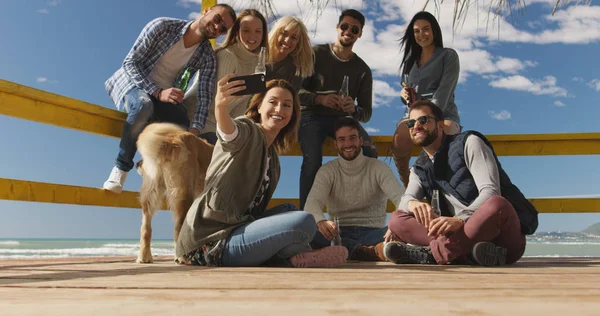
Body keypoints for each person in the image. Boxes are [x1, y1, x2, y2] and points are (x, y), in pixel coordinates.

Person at [175, 78, 348, 268]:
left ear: (292, 114)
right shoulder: (247, 129)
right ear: (258, 106)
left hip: (238, 229)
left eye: (286, 105)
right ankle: (295, 254)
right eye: (272, 102)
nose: (279, 110)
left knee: (290, 210)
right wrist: (221, 107)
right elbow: (229, 133)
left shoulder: (273, 160)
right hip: (209, 243)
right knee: (305, 220)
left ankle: (297, 255)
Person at [383, 101, 539, 266]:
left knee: (497, 204)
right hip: (461, 239)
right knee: (396, 219)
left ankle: (433, 254)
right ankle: (469, 254)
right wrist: (412, 203)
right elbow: (404, 202)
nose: (416, 126)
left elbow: (491, 191)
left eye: (423, 120)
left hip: (502, 238)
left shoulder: (469, 143)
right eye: (410, 123)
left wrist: (460, 219)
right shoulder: (419, 168)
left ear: (441, 125)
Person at [102, 4, 236, 193]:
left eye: (223, 29)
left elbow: (205, 96)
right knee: (143, 105)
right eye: (217, 19)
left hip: (164, 98)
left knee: (183, 128)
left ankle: (150, 164)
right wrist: (157, 92)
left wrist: (194, 132)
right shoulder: (162, 26)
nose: (217, 27)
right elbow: (130, 63)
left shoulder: (207, 57)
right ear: (206, 12)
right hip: (133, 84)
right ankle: (121, 167)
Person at [298, 9, 377, 209]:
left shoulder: (363, 70)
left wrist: (354, 109)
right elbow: (294, 92)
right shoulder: (316, 54)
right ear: (337, 28)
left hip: (343, 121)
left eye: (354, 29)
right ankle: (307, 217)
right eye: (344, 26)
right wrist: (319, 99)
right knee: (313, 158)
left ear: (360, 34)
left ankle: (354, 210)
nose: (348, 31)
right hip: (311, 116)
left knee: (369, 151)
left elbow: (366, 112)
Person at [306, 117, 405, 261]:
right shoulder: (327, 171)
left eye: (352, 138)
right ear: (336, 144)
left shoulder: (379, 168)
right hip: (338, 233)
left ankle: (350, 250)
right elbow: (312, 203)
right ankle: (369, 252)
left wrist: (396, 225)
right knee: (306, 232)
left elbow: (400, 197)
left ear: (360, 140)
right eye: (342, 139)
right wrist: (321, 222)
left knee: (405, 230)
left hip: (374, 233)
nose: (347, 144)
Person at [391, 11, 461, 188]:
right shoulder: (410, 60)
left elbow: (444, 92)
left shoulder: (448, 56)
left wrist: (427, 118)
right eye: (416, 31)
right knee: (400, 138)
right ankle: (407, 182)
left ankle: (440, 185)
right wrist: (403, 95)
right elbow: (408, 91)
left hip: (443, 113)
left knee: (444, 132)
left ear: (435, 31)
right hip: (412, 114)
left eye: (426, 29)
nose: (421, 34)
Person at [184, 9, 268, 145]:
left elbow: (240, 108)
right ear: (236, 32)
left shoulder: (257, 64)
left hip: (220, 126)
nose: (252, 35)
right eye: (246, 30)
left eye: (258, 31)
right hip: (198, 122)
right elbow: (214, 104)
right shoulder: (228, 55)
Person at [265, 16, 313, 91]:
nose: (287, 40)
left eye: (293, 38)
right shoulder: (257, 54)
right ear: (276, 33)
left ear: (298, 43)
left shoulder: (293, 70)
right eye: (284, 34)